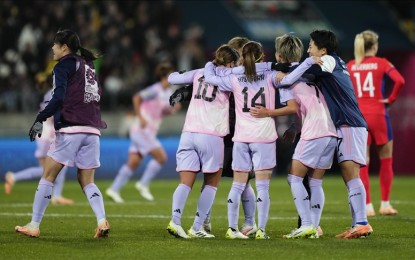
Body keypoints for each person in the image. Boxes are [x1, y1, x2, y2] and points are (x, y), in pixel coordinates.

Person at [275, 29, 373, 239]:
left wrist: (285, 73)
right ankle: (357, 223)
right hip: (343, 125)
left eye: (311, 46)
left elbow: (295, 76)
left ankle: (362, 222)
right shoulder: (335, 64)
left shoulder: (327, 61)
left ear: (323, 50)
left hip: (348, 123)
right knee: (345, 176)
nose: (308, 50)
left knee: (350, 174)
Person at [15, 29, 109, 238]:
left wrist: (40, 118)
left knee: (48, 175)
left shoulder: (63, 65)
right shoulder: (88, 66)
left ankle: (34, 224)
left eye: (54, 45)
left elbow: (58, 97)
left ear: (64, 47)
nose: (52, 48)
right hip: (93, 128)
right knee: (88, 180)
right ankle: (102, 221)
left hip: (71, 127)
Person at [250, 34, 336, 239]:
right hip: (330, 130)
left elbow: (293, 106)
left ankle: (306, 224)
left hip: (314, 131)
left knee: (293, 177)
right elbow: (306, 106)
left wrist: (268, 112)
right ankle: (314, 227)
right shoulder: (309, 74)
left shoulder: (286, 79)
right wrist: (295, 128)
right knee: (315, 182)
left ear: (279, 55)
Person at [204, 41, 281, 239]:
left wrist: (209, 64)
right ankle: (261, 230)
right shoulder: (271, 76)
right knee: (262, 186)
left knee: (237, 185)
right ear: (262, 57)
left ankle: (232, 228)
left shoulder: (235, 79)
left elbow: (210, 78)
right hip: (263, 136)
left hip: (240, 136)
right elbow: (291, 76)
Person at [166, 44, 239, 239]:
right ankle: (197, 226)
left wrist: (183, 74)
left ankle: (175, 220)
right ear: (231, 62)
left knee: (185, 182)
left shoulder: (199, 72)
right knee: (212, 181)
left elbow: (172, 78)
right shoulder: (230, 78)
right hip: (211, 134)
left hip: (188, 133)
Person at [346, 30, 405, 217]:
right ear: (375, 46)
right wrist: (391, 99)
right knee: (386, 159)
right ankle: (385, 204)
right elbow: (400, 80)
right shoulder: (382, 63)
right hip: (379, 114)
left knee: (363, 162)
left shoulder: (350, 65)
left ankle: (368, 206)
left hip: (358, 117)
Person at [105, 63, 180, 203]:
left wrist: (172, 109)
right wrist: (140, 117)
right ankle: (143, 184)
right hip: (141, 129)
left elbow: (162, 112)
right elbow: (136, 98)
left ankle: (113, 189)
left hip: (149, 131)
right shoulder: (156, 89)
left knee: (134, 161)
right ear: (165, 77)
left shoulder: (168, 93)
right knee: (161, 157)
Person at [5, 73, 73, 205]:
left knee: (56, 166)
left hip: (45, 132)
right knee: (54, 166)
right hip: (48, 134)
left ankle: (56, 195)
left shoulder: (52, 92)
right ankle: (14, 177)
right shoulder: (56, 93)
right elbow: (54, 114)